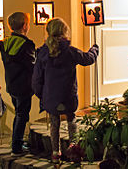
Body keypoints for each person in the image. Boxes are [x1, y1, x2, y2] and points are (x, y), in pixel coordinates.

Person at [32, 18, 99, 164]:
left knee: (54, 123)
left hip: (50, 97)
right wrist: (95, 48)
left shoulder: (42, 53)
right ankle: (73, 151)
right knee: (71, 120)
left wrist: (42, 95)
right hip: (68, 96)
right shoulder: (70, 51)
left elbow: (36, 79)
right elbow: (88, 59)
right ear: (64, 32)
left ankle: (55, 153)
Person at [0, 12, 36, 157]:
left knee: (19, 114)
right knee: (22, 115)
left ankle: (17, 141)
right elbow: (32, 65)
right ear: (25, 26)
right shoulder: (26, 45)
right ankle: (16, 146)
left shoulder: (5, 43)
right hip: (25, 86)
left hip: (12, 85)